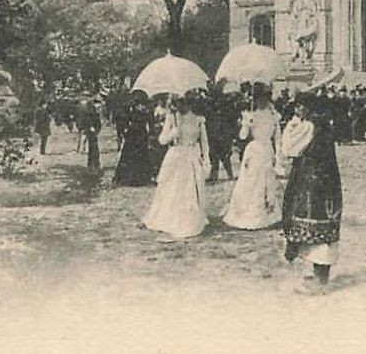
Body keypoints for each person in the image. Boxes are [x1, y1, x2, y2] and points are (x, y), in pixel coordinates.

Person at [280, 92, 343, 292]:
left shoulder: (309, 126)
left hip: (312, 182)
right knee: (323, 226)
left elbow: (289, 149)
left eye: (300, 107)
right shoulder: (321, 123)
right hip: (325, 180)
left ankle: (320, 281)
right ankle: (320, 276)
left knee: (315, 225)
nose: (297, 110)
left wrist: (292, 124)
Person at [142, 92, 209, 239]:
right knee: (175, 188)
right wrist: (173, 133)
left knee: (191, 188)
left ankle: (192, 218)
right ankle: (172, 216)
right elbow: (162, 140)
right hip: (176, 156)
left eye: (182, 103)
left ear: (189, 103)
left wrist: (206, 161)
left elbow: (204, 143)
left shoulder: (198, 120)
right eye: (177, 103)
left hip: (191, 156)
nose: (179, 106)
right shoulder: (172, 118)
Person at [223, 83, 281, 229]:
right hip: (254, 150)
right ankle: (246, 212)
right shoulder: (251, 115)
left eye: (265, 99)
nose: (262, 102)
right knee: (251, 181)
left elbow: (277, 139)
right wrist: (246, 124)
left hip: (267, 149)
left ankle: (266, 212)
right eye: (259, 99)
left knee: (266, 180)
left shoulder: (274, 117)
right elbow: (242, 137)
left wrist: (278, 156)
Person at [114, 90, 156, 186]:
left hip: (139, 135)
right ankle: (130, 178)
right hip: (133, 135)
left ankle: (138, 178)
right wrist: (125, 129)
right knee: (132, 155)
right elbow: (122, 119)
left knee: (138, 155)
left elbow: (150, 123)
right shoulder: (130, 109)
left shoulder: (145, 110)